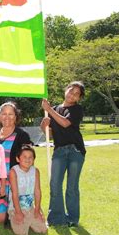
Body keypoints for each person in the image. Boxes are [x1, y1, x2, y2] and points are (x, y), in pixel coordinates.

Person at [40, 81, 86, 227]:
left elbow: (65, 123)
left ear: (79, 98)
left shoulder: (77, 109)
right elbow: (51, 135)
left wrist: (49, 111)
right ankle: (56, 218)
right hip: (59, 150)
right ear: (66, 90)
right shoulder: (53, 109)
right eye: (71, 91)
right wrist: (44, 124)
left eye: (77, 94)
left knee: (72, 186)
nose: (73, 95)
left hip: (75, 151)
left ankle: (72, 219)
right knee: (55, 184)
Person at [0, 101, 32, 226]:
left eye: (11, 114)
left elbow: (28, 160)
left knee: (16, 217)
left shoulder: (22, 135)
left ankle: (17, 212)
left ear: (16, 117)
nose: (7, 117)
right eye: (4, 114)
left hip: (14, 182)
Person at [8, 145, 48, 235]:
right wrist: (18, 212)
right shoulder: (13, 172)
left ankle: (29, 219)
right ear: (18, 159)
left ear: (33, 160)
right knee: (21, 233)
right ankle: (16, 218)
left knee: (43, 230)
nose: (28, 159)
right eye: (24, 157)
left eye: (31, 157)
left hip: (30, 207)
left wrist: (37, 210)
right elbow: (15, 193)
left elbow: (37, 191)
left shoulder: (35, 171)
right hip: (16, 208)